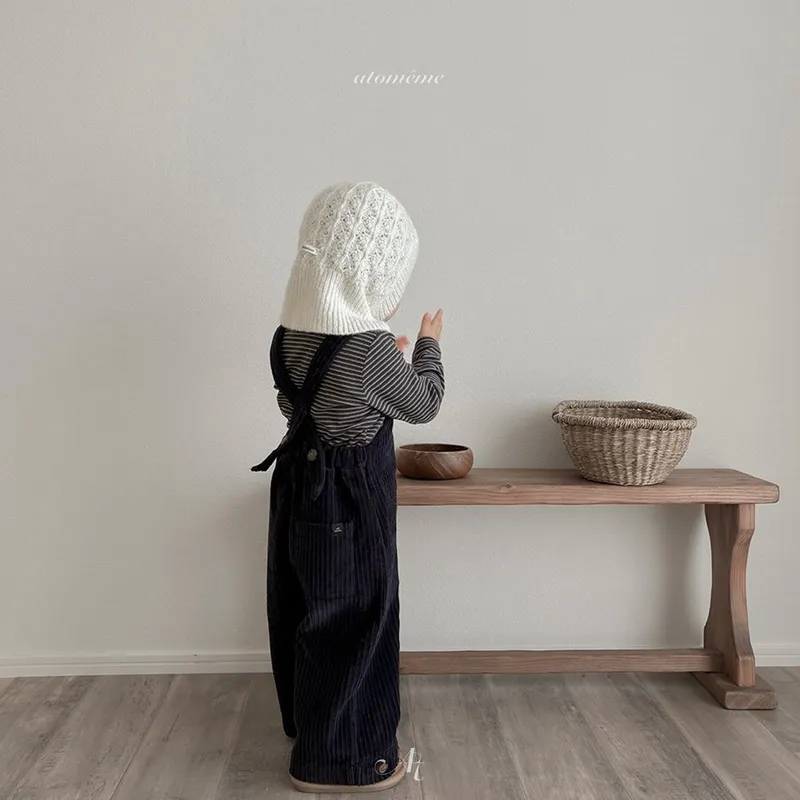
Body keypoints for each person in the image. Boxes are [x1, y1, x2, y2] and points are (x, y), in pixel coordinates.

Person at [251, 182, 445, 793]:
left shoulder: (288, 335)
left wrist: (382, 361)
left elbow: (304, 403)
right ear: (371, 275)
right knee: (359, 618)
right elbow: (424, 404)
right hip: (351, 503)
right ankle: (348, 762)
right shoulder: (370, 349)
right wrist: (428, 349)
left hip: (298, 488)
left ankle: (311, 730)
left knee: (307, 610)